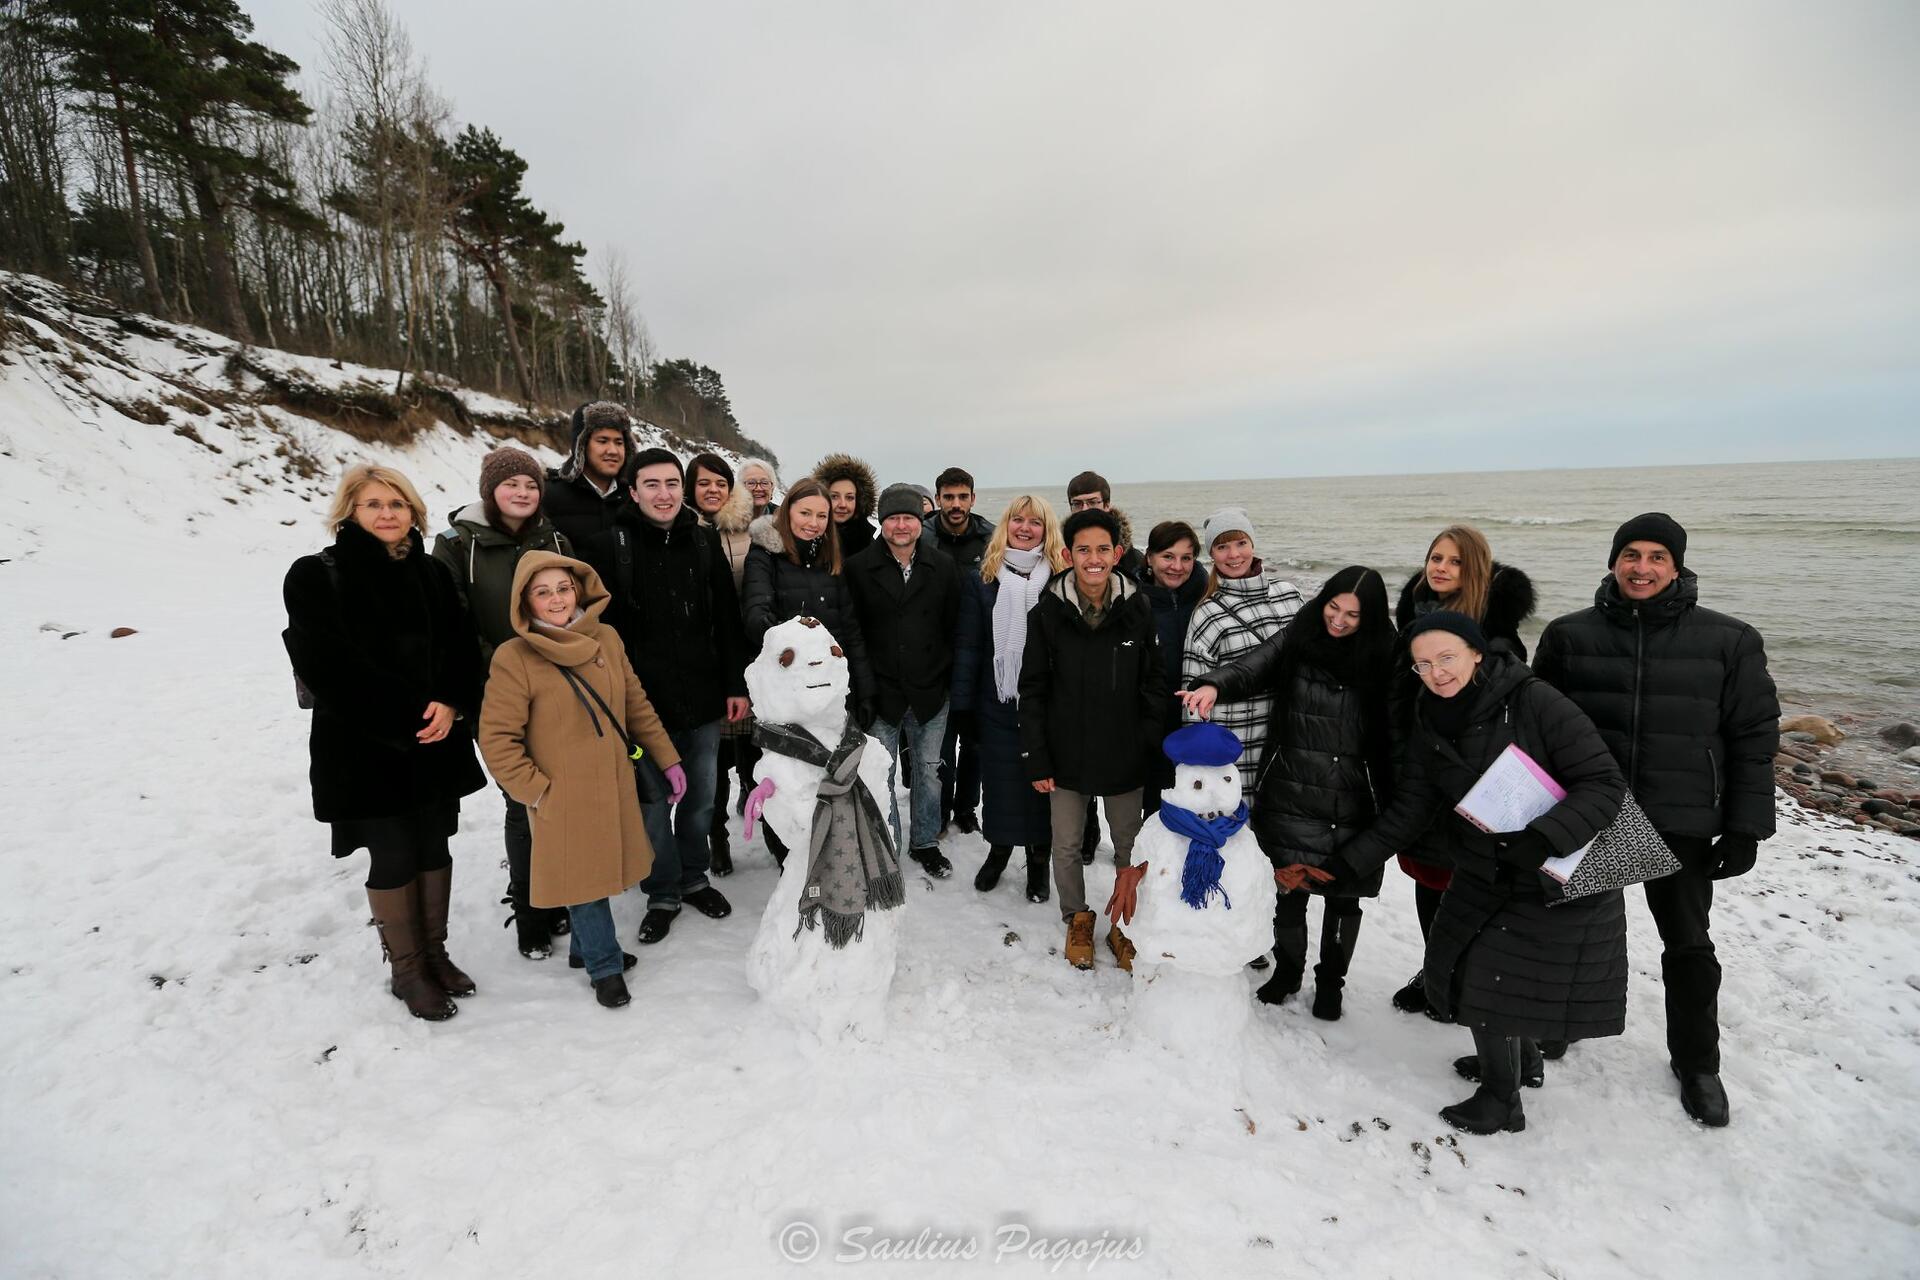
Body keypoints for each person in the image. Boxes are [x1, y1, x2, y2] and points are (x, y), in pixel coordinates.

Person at [1323, 612, 1628, 1135]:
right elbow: (1414, 805)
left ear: (1477, 653)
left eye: (1447, 658)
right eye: (1423, 664)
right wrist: (1352, 859)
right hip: (1486, 864)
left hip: (1559, 865)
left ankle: (1500, 1100)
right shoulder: (1428, 714)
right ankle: (1521, 1064)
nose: (1437, 673)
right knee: (1459, 965)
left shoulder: (1535, 701)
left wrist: (1544, 838)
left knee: (1495, 980)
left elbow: (1603, 783)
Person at [1533, 513, 1779, 1127]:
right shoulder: (1569, 636)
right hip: (1595, 810)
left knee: (1688, 946)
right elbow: (1538, 731)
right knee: (1572, 931)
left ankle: (1697, 1063)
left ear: (1677, 566)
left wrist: (1746, 826)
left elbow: (1753, 737)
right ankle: (1556, 1027)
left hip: (1682, 816)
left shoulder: (1729, 640)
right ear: (1614, 560)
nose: (1642, 568)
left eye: (1656, 558)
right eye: (1631, 555)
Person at [283, 464, 487, 1021]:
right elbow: (327, 665)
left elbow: (459, 646)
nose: (387, 514)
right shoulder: (313, 574)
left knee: (433, 846)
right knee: (393, 853)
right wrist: (406, 720)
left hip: (436, 735)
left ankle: (436, 955)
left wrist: (449, 701)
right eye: (373, 504)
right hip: (362, 747)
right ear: (350, 511)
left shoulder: (431, 573)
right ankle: (408, 969)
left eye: (396, 504)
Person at [1182, 567, 1396, 1018]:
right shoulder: (1300, 633)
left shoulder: (1388, 655)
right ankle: (1287, 972)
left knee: (1343, 896)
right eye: (1333, 608)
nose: (1337, 621)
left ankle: (1331, 985)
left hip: (1352, 794)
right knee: (1288, 889)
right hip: (1291, 785)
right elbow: (1252, 666)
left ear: (1371, 617)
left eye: (1352, 615)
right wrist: (1213, 684)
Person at [477, 554, 686, 1008]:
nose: (556, 599)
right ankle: (604, 967)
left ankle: (582, 949)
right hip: (561, 793)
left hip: (612, 781)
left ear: (579, 590)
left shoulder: (605, 638)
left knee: (601, 870)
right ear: (524, 600)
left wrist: (668, 759)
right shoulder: (515, 657)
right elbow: (496, 738)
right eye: (543, 591)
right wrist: (537, 791)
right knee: (584, 880)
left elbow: (635, 704)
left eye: (563, 588)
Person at [580, 448, 749, 946]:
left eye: (672, 483)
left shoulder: (701, 541)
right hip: (640, 706)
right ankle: (662, 891)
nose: (664, 494)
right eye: (651, 484)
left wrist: (734, 684)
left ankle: (693, 876)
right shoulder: (610, 546)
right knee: (652, 804)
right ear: (632, 491)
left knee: (699, 799)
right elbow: (595, 631)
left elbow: (726, 619)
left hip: (701, 699)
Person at [1386, 524, 1537, 1018]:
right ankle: (1436, 972)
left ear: (1475, 571)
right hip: (1419, 775)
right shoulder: (1413, 621)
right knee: (1427, 881)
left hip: (1474, 785)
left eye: (1454, 562)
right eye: (1435, 558)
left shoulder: (1495, 637)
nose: (1441, 568)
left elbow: (1509, 716)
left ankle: (1470, 982)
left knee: (1468, 888)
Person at [432, 446, 574, 959]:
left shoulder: (554, 538)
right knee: (523, 797)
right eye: (511, 484)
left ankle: (555, 890)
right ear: (489, 490)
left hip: (559, 687)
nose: (522, 493)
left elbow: (568, 607)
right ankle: (531, 908)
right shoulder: (455, 544)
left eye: (531, 485)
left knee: (558, 793)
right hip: (495, 690)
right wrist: (511, 664)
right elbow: (451, 622)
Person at [1019, 507, 1167, 970]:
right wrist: (1037, 757)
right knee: (1065, 843)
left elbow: (1155, 683)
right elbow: (1034, 688)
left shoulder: (1138, 607)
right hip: (1065, 752)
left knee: (1129, 843)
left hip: (1123, 751)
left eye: (1103, 549)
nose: (1094, 558)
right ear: (1068, 555)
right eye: (1083, 549)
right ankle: (1077, 917)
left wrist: (1144, 738)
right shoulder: (1047, 611)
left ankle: (1125, 926)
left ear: (1118, 554)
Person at [953, 495, 1068, 901]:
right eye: (1017, 520)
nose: (1024, 528)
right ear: (1006, 526)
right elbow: (969, 645)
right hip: (996, 699)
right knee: (1000, 783)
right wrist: (963, 705)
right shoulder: (983, 578)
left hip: (1047, 704)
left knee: (1041, 784)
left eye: (1034, 522)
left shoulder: (1060, 577)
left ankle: (1038, 859)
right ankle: (999, 849)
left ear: (1046, 530)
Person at [847, 483, 963, 878]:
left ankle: (925, 842)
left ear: (920, 521)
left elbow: (952, 626)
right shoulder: (859, 567)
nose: (901, 525)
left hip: (931, 690)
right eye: (893, 517)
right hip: (882, 691)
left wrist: (945, 677)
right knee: (883, 772)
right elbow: (854, 631)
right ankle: (888, 843)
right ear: (882, 521)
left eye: (909, 518)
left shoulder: (941, 565)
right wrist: (863, 687)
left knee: (929, 770)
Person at [742, 476, 876, 782]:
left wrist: (865, 690)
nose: (813, 523)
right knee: (789, 785)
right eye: (805, 513)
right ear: (788, 511)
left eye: (821, 516)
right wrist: (795, 642)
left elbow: (849, 628)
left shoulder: (830, 558)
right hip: (787, 693)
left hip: (830, 692)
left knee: (830, 782)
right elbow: (755, 616)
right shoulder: (765, 554)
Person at [1180, 507, 1304, 801]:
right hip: (1237, 744)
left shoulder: (1289, 594)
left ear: (1252, 545)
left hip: (1288, 737)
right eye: (1222, 547)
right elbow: (1192, 696)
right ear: (1211, 554)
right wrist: (1201, 763)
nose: (1233, 554)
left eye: (1240, 543)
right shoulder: (1207, 613)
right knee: (1240, 830)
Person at [1060, 470, 1143, 861]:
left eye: (1093, 502)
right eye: (1077, 504)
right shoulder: (1068, 556)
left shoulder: (1133, 562)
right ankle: (1089, 837)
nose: (1086, 509)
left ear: (1107, 503)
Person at [688, 452, 757, 877]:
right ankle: (718, 839)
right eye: (703, 483)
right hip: (700, 661)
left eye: (720, 482)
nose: (713, 490)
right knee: (710, 763)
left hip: (746, 655)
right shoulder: (679, 532)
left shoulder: (752, 530)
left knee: (751, 750)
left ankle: (761, 824)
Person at [933, 466, 993, 835]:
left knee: (975, 743)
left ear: (973, 497)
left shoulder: (990, 538)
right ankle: (938, 809)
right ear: (938, 498)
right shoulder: (924, 537)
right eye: (948, 497)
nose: (956, 505)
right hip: (937, 654)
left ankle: (967, 807)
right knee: (940, 745)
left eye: (962, 497)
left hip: (979, 653)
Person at [1135, 521, 1206, 818]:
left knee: (1197, 800)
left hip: (1197, 717)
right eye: (1168, 556)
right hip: (1151, 722)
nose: (1177, 566)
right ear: (1149, 557)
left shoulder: (1206, 595)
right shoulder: (1134, 602)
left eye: (1186, 558)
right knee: (1154, 805)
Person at [543, 401, 638, 547]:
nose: (613, 450)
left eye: (619, 442)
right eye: (603, 441)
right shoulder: (548, 496)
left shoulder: (636, 498)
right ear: (581, 446)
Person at [814, 452, 878, 559]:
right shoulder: (808, 539)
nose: (842, 504)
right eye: (834, 496)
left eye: (849, 498)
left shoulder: (872, 547)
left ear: (859, 501)